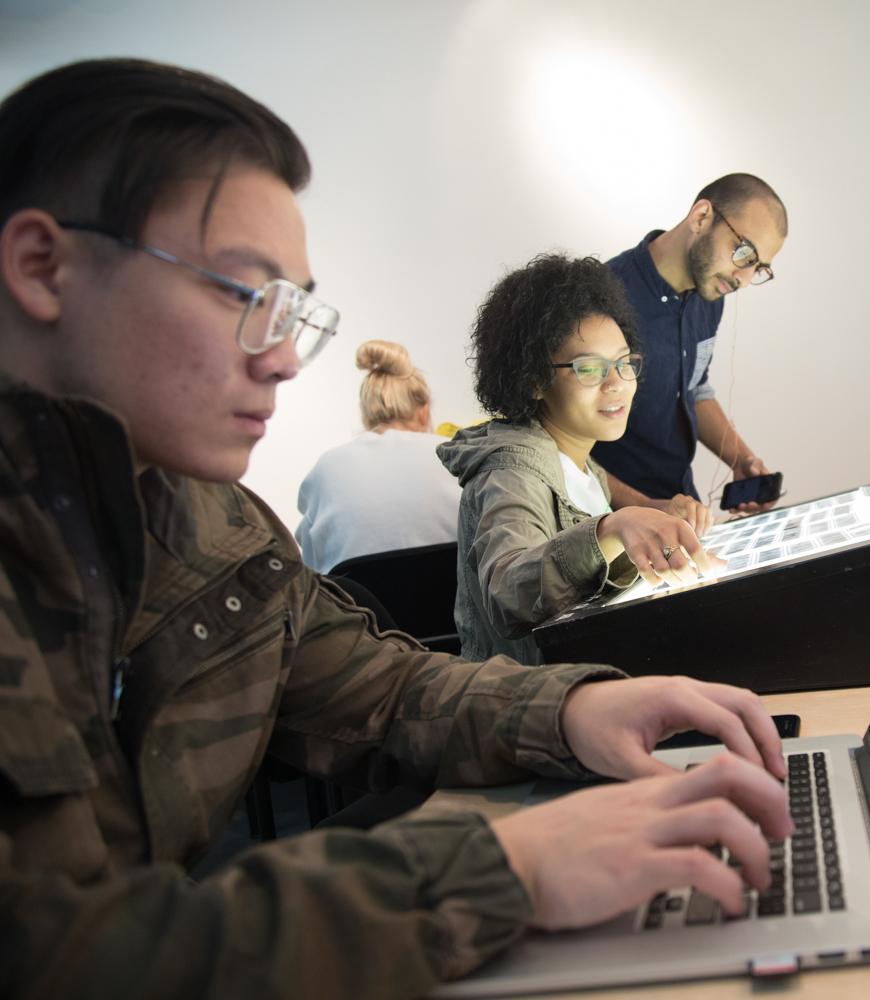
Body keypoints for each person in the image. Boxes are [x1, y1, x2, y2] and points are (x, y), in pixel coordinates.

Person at [0, 58, 792, 1000]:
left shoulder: (214, 528)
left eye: (297, 311)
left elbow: (385, 681)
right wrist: (504, 866)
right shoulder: (512, 465)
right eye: (243, 295)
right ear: (43, 268)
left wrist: (574, 708)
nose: (287, 359)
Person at [439, 254, 717, 665]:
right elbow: (508, 593)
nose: (617, 384)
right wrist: (612, 527)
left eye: (625, 364)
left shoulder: (582, 463)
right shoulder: (512, 472)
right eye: (589, 369)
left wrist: (653, 513)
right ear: (533, 379)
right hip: (533, 710)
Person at [593, 174, 787, 514]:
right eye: (744, 253)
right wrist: (648, 509)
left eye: (758, 268)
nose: (743, 279)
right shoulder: (602, 298)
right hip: (612, 523)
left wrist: (740, 460)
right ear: (701, 217)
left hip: (681, 507)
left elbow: (693, 389)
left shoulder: (712, 294)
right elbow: (560, 448)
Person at [295, 339, 462, 572]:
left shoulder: (329, 466)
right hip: (453, 605)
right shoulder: (456, 455)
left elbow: (313, 563)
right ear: (423, 409)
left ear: (366, 412)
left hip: (356, 606)